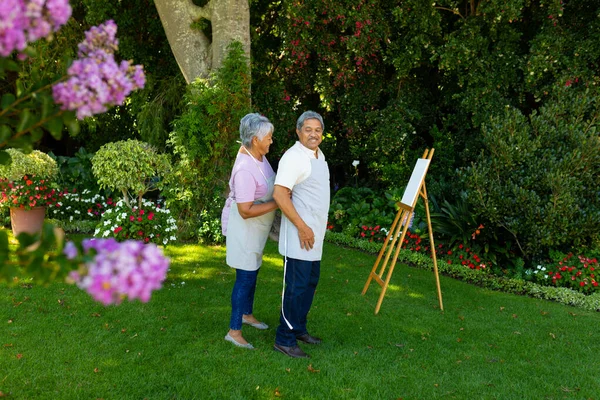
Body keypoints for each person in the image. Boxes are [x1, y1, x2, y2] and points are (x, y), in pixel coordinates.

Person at [272, 111, 330, 358]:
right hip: (299, 236)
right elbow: (280, 194)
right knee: (296, 288)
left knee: (309, 284)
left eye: (317, 129)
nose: (313, 134)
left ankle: (298, 329)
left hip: (314, 237)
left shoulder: (318, 155)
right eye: (308, 129)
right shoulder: (294, 157)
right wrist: (303, 227)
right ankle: (284, 339)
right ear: (298, 131)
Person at [221, 113, 278, 349]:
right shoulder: (245, 169)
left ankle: (247, 314)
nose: (271, 141)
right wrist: (278, 202)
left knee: (253, 273)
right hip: (244, 229)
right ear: (255, 139)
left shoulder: (257, 156)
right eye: (268, 137)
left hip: (257, 229)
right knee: (245, 278)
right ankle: (234, 331)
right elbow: (245, 210)